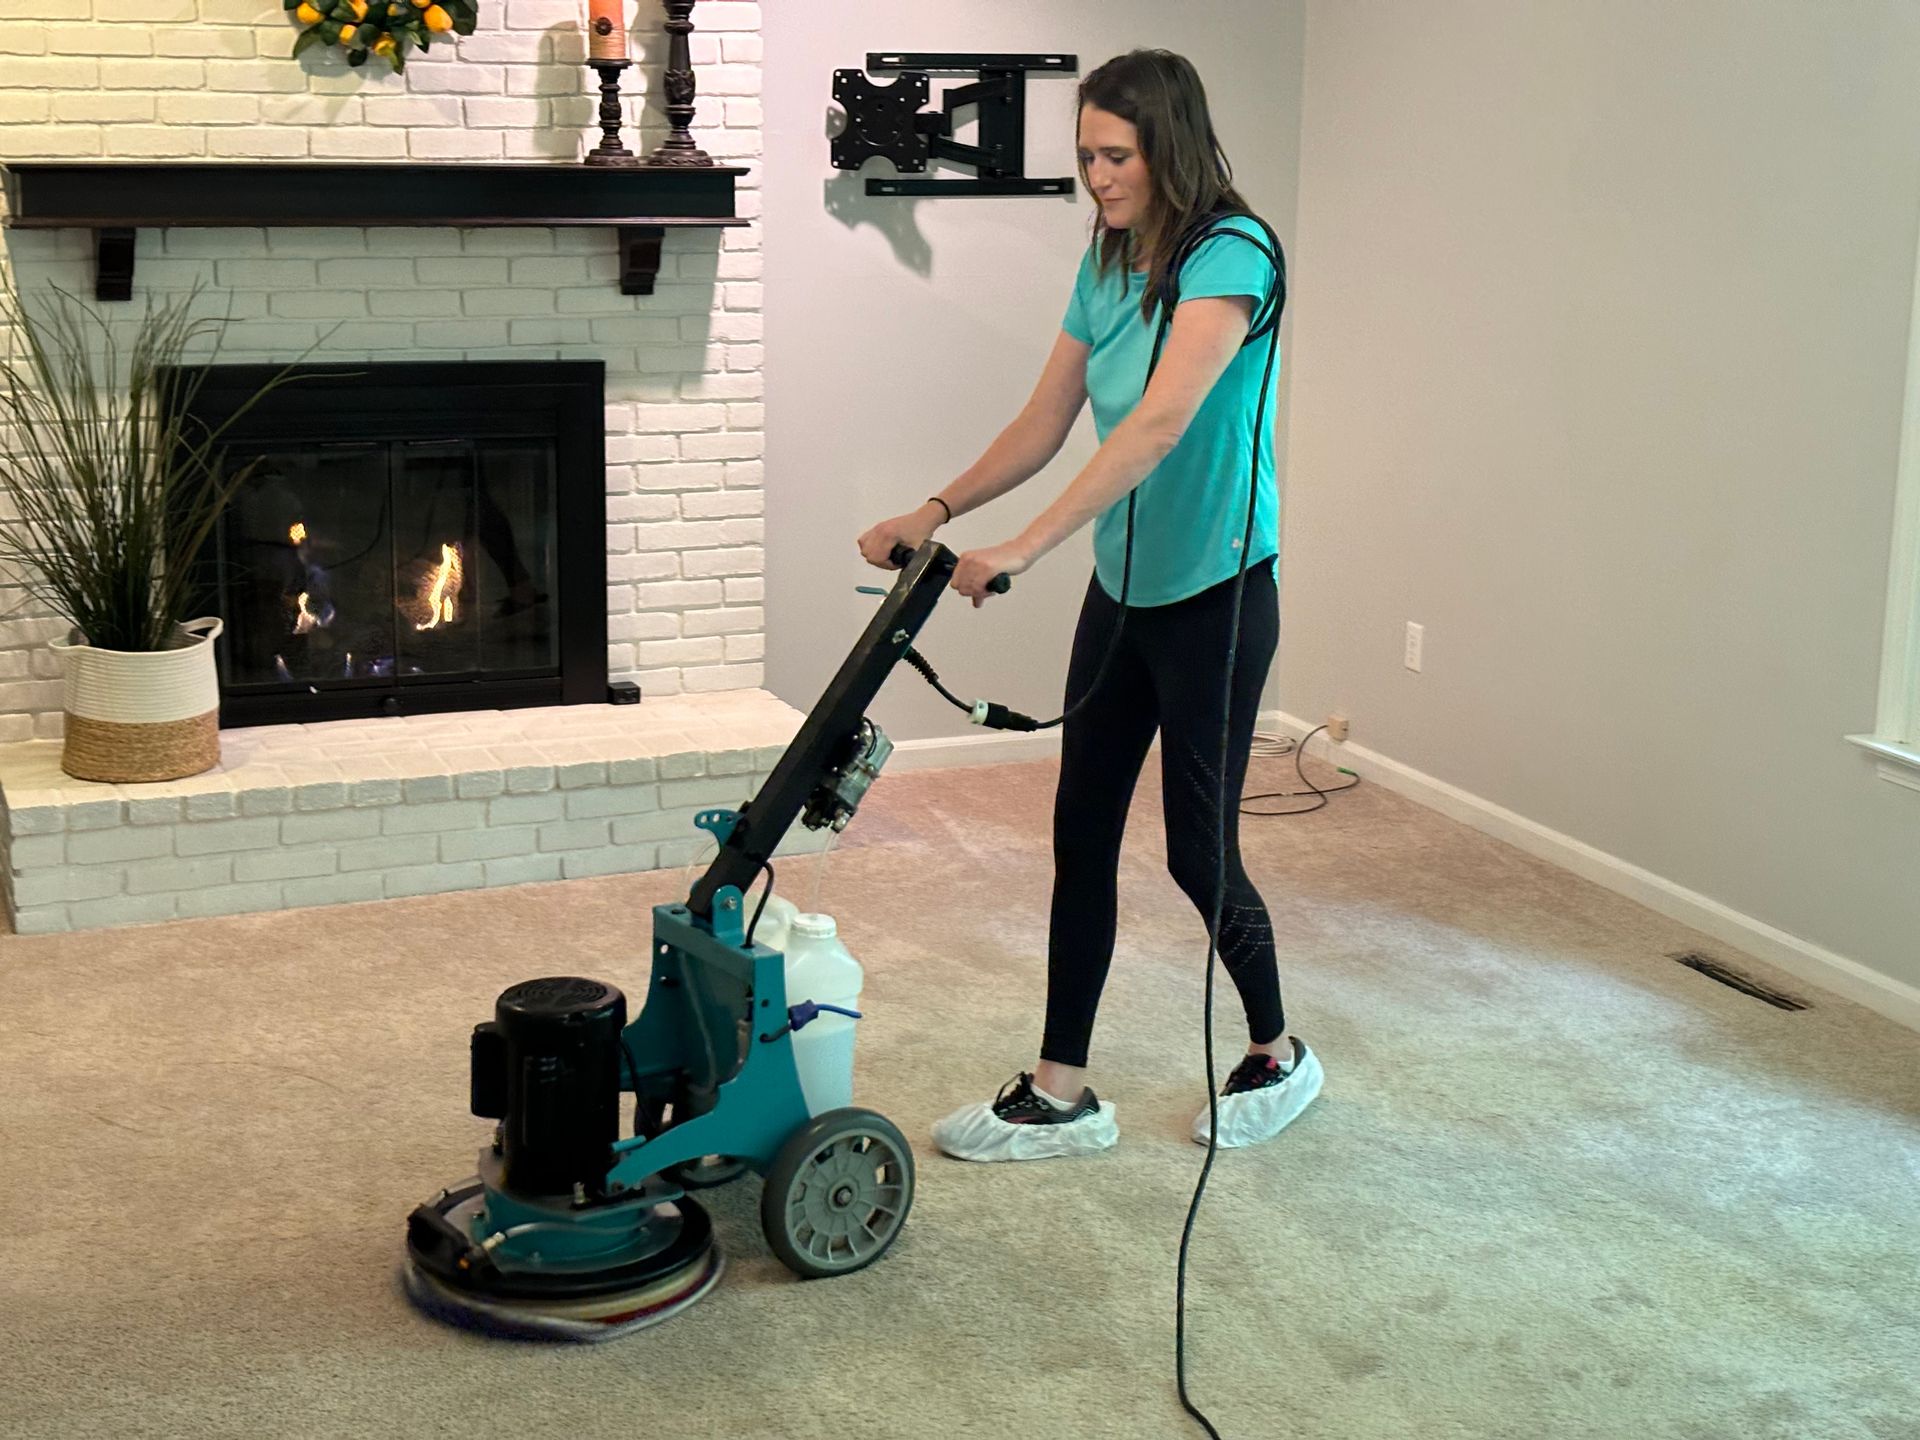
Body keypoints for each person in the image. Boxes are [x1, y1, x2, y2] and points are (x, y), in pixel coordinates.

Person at [857, 49, 1322, 1162]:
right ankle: (1062, 1089)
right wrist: (936, 507)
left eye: (1116, 156)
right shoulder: (1108, 259)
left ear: (1169, 147)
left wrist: (1022, 546)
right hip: (1125, 593)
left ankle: (1278, 1050)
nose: (1098, 177)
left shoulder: (1234, 254)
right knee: (1082, 828)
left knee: (1198, 852)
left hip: (1217, 596)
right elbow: (1046, 417)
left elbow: (1158, 424)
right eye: (1085, 157)